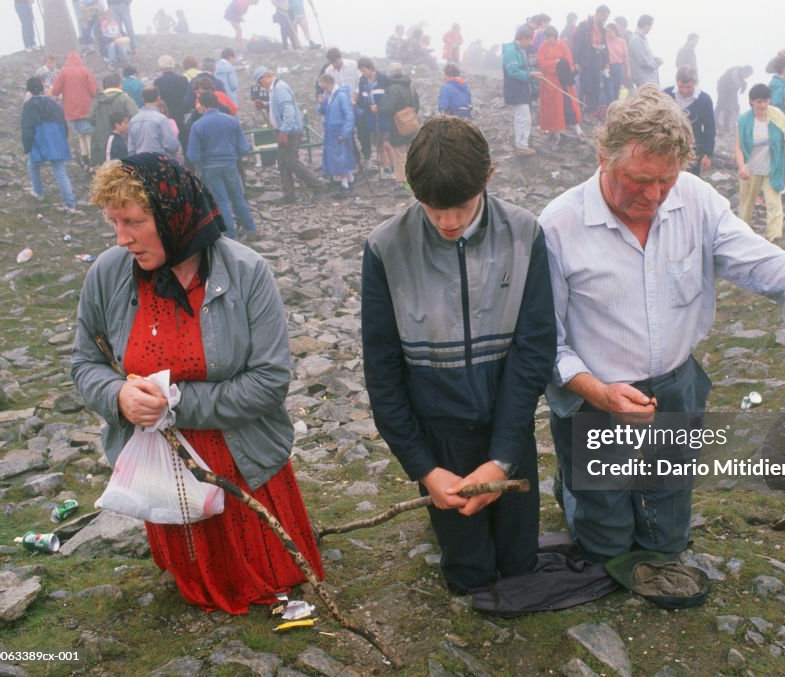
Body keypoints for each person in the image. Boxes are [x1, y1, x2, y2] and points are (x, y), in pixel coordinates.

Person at [539, 86, 785, 561]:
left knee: (665, 543)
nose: (652, 196)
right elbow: (547, 342)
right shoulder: (558, 226)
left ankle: (614, 498)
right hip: (596, 402)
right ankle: (576, 487)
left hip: (675, 391)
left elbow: (763, 264)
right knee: (606, 546)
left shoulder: (697, 201)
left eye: (665, 180)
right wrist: (599, 392)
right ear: (602, 156)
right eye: (637, 179)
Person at [71, 153, 324, 614]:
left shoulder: (246, 273)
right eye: (113, 223)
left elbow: (269, 382)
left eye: (133, 222)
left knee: (272, 576)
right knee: (192, 580)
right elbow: (85, 364)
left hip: (241, 465)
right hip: (160, 468)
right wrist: (119, 396)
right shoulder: (108, 275)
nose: (121, 238)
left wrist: (173, 403)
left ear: (173, 217)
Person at [361, 116, 556, 594]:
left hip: (506, 425)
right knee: (466, 573)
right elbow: (381, 370)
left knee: (519, 565)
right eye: (432, 208)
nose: (448, 222)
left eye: (461, 208)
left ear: (488, 178)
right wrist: (424, 468)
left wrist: (504, 457)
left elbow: (534, 349)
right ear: (412, 188)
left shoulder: (524, 233)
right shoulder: (385, 248)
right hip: (439, 435)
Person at [187, 91, 257, 240]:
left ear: (203, 105)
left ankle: (231, 235)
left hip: (210, 168)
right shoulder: (232, 121)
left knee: (221, 201)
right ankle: (251, 228)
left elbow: (192, 155)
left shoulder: (197, 125)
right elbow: (244, 147)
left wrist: (201, 163)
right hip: (230, 164)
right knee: (238, 197)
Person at [734, 84, 785, 242]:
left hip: (772, 168)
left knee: (774, 204)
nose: (763, 105)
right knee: (746, 205)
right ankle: (743, 237)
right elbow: (738, 148)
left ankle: (774, 239)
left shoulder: (776, 115)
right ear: (751, 102)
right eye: (758, 102)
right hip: (751, 170)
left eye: (765, 101)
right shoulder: (744, 121)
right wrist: (742, 167)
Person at [253, 66, 323, 203]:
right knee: (283, 162)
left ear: (265, 77)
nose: (261, 86)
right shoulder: (275, 89)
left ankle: (318, 186)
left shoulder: (280, 89)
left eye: (260, 82)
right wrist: (266, 105)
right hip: (284, 130)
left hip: (289, 131)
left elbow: (288, 111)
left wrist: (284, 131)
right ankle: (289, 194)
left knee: (291, 162)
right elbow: (278, 107)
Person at [21, 77, 79, 213]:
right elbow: (63, 123)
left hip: (39, 139)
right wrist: (63, 139)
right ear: (42, 88)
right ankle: (70, 204)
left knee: (33, 164)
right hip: (56, 139)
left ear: (29, 90)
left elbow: (27, 127)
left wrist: (27, 145)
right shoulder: (52, 103)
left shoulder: (29, 105)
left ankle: (38, 192)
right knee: (59, 170)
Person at [663, 66, 714, 175]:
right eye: (681, 86)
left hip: (693, 150)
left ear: (695, 84)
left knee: (690, 182)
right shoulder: (666, 95)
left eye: (688, 87)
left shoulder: (704, 100)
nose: (684, 91)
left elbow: (710, 129)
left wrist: (708, 154)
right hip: (668, 147)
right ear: (677, 82)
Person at [537, 26, 582, 148]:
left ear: (555, 37)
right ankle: (555, 132)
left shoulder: (562, 45)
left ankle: (577, 128)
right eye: (547, 37)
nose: (549, 40)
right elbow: (541, 64)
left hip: (562, 81)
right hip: (549, 83)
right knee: (552, 108)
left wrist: (556, 65)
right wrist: (556, 63)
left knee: (568, 105)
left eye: (551, 37)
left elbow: (568, 62)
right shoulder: (542, 47)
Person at [378, 63, 420, 191]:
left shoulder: (392, 88)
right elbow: (417, 104)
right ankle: (413, 178)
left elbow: (387, 108)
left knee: (399, 153)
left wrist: (379, 107)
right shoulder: (410, 86)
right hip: (411, 123)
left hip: (398, 125)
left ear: (390, 74)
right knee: (410, 151)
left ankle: (402, 181)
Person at [51, 51, 97, 168]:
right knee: (89, 135)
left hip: (70, 110)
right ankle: (92, 161)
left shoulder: (63, 72)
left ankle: (84, 157)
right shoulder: (85, 71)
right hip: (86, 108)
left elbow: (55, 91)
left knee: (81, 134)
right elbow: (94, 91)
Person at [316, 74, 356, 196]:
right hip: (331, 132)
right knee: (338, 156)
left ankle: (345, 183)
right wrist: (321, 104)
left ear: (329, 84)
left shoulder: (341, 95)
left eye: (324, 87)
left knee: (341, 157)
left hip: (339, 131)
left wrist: (345, 132)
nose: (324, 90)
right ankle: (350, 178)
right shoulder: (329, 96)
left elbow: (349, 115)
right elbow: (322, 111)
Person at [503, 26, 540, 156]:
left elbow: (523, 68)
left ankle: (521, 144)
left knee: (522, 117)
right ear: (523, 38)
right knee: (524, 118)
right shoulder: (511, 52)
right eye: (529, 40)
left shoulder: (520, 51)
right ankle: (522, 146)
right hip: (515, 89)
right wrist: (530, 75)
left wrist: (531, 73)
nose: (530, 43)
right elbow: (513, 71)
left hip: (522, 89)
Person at [89, 73, 138, 166]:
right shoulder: (124, 98)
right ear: (119, 84)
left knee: (103, 168)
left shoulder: (98, 99)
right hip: (122, 138)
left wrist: (101, 124)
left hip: (101, 139)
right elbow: (135, 116)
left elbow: (91, 117)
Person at [572, 6, 610, 118]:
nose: (605, 19)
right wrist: (576, 61)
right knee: (585, 86)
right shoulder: (584, 25)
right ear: (599, 13)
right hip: (585, 61)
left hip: (597, 61)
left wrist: (606, 62)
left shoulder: (602, 28)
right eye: (604, 17)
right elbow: (577, 44)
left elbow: (606, 45)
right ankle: (583, 113)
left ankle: (592, 112)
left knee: (596, 87)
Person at [356, 58, 390, 174]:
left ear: (371, 68)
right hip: (371, 118)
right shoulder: (362, 82)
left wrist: (379, 107)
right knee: (379, 144)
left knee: (387, 143)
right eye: (361, 71)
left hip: (384, 117)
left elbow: (390, 97)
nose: (363, 73)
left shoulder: (384, 79)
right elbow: (360, 101)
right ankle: (386, 168)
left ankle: (395, 167)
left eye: (364, 70)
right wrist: (369, 107)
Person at [129, 87, 182, 157]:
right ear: (158, 98)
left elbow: (131, 149)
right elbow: (171, 145)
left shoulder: (133, 121)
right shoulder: (161, 119)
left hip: (140, 162)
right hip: (159, 161)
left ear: (143, 99)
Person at [154, 55, 191, 150]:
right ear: (173, 65)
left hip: (166, 115)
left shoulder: (158, 82)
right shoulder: (183, 79)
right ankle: (188, 163)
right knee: (184, 140)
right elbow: (187, 97)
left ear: (161, 67)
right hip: (181, 113)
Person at [715, 65, 753, 134]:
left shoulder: (740, 76)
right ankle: (718, 125)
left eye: (748, 76)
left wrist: (743, 87)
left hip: (729, 90)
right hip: (723, 89)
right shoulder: (732, 76)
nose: (747, 77)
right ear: (744, 71)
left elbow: (742, 83)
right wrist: (736, 106)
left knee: (728, 108)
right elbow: (733, 94)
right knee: (722, 106)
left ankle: (726, 127)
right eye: (747, 75)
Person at [627, 15, 660, 90]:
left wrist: (656, 58)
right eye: (650, 25)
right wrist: (656, 64)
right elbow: (642, 61)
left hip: (649, 79)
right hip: (643, 80)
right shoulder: (636, 39)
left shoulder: (643, 39)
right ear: (645, 25)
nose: (651, 28)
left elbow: (649, 54)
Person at [605, 23, 629, 103]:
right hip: (608, 67)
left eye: (610, 31)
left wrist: (628, 71)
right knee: (608, 89)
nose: (608, 33)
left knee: (618, 88)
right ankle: (610, 106)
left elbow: (625, 57)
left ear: (615, 31)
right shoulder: (604, 41)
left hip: (618, 67)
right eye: (607, 32)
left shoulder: (621, 41)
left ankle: (617, 106)